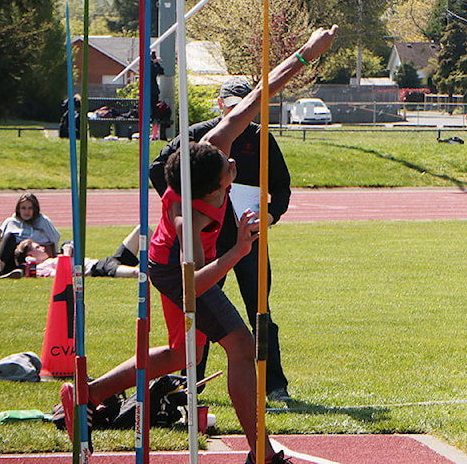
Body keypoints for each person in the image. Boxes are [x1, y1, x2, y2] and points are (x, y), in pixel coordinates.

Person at [59, 25, 338, 464]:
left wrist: (305, 54)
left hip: (178, 264)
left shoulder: (209, 148)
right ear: (212, 189)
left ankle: (86, 395)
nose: (234, 164)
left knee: (176, 354)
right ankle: (260, 452)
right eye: (229, 170)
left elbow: (255, 98)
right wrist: (238, 251)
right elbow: (193, 286)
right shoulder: (189, 220)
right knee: (241, 346)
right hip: (176, 270)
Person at [150, 76, 292, 402]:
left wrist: (269, 216)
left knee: (260, 312)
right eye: (233, 106)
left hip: (249, 240)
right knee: (197, 320)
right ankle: (189, 387)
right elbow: (160, 168)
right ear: (220, 105)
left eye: (246, 106)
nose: (243, 114)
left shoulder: (262, 138)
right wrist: (187, 209)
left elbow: (281, 186)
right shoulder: (204, 136)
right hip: (207, 245)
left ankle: (274, 386)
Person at [3, 226, 150, 279]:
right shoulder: (43, 267)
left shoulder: (54, 258)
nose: (42, 247)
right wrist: (66, 256)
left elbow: (74, 245)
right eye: (37, 248)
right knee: (138, 274)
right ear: (30, 256)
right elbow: (61, 276)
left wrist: (68, 247)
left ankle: (168, 256)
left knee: (141, 229)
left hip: (108, 260)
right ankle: (163, 271)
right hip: (98, 268)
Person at [0, 192, 60, 276]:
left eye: (30, 208)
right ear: (18, 209)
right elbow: (1, 242)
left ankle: (22, 270)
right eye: (23, 208)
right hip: (13, 255)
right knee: (9, 236)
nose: (26, 212)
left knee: (27, 246)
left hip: (33, 257)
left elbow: (55, 238)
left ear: (35, 209)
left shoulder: (43, 221)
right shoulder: (10, 221)